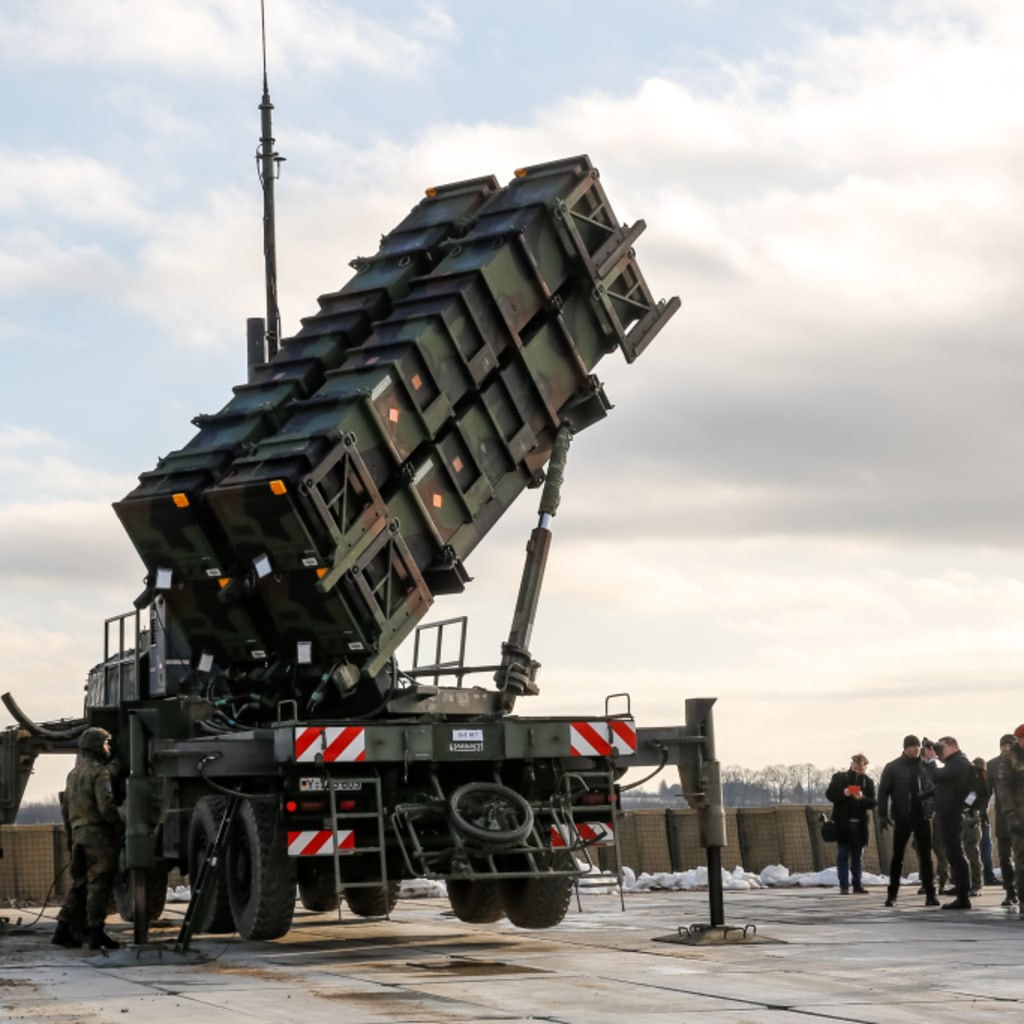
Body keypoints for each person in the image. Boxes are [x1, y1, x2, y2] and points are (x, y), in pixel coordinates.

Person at [52, 727, 122, 950]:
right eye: (106, 743)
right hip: (97, 834)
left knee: (79, 883)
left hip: (77, 833)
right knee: (99, 882)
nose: (108, 747)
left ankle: (62, 929)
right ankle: (95, 932)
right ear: (97, 746)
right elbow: (105, 806)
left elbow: (65, 807)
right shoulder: (99, 773)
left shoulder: (74, 774)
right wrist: (119, 826)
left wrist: (70, 836)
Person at [876, 735, 938, 907]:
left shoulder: (924, 766)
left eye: (917, 747)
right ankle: (892, 895)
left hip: (923, 816)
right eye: (912, 747)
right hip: (903, 816)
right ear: (904, 748)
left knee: (926, 857)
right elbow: (883, 792)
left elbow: (936, 783)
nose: (915, 750)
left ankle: (930, 894)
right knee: (897, 857)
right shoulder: (893, 767)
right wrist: (882, 814)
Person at [921, 736, 974, 909]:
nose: (939, 751)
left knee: (955, 853)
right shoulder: (954, 763)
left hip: (952, 813)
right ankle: (961, 888)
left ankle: (963, 896)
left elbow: (937, 776)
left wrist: (930, 760)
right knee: (953, 853)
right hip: (948, 812)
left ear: (953, 747)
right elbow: (942, 786)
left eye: (941, 747)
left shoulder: (958, 763)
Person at [827, 753, 877, 895]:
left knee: (857, 857)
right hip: (843, 823)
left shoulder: (868, 782)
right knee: (843, 854)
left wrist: (862, 798)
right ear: (851, 765)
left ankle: (857, 884)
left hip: (859, 825)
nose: (857, 771)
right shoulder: (839, 778)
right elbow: (830, 794)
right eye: (855, 768)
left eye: (860, 769)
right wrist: (844, 793)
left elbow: (873, 802)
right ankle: (844, 885)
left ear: (865, 768)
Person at [993, 725, 1024, 918]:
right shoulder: (1009, 760)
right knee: (1021, 861)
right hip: (1019, 817)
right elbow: (1003, 789)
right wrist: (1011, 814)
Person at [989, 733, 1019, 907]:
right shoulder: (993, 765)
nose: (1006, 748)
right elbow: (987, 791)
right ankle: (1010, 891)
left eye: (1009, 745)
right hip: (1002, 817)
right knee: (1005, 857)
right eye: (1003, 745)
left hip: (1020, 816)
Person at [961, 757, 989, 896]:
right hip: (971, 818)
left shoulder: (978, 783)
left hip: (972, 819)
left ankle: (976, 884)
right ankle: (974, 884)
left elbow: (973, 799)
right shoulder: (981, 781)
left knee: (972, 852)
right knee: (971, 852)